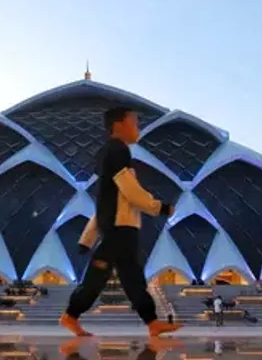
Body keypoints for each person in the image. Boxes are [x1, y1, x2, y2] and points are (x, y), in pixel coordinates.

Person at [60, 106, 180, 339]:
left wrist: (87, 238)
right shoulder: (118, 151)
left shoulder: (110, 154)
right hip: (119, 230)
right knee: (99, 275)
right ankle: (71, 315)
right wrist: (160, 207)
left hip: (121, 228)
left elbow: (106, 201)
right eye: (134, 123)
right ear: (120, 124)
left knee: (133, 278)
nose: (138, 128)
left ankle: (152, 322)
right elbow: (131, 191)